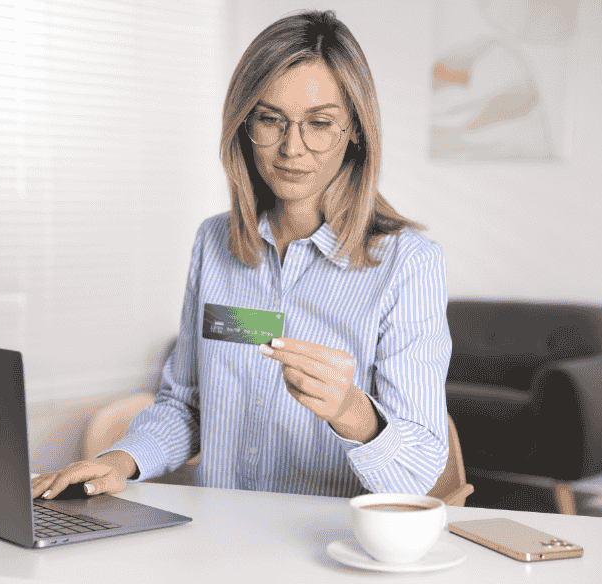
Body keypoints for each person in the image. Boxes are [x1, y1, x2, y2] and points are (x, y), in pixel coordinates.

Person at [32, 10, 451, 501]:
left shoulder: (409, 265)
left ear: (355, 130)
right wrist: (115, 463)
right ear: (245, 123)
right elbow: (186, 406)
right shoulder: (215, 243)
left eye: (319, 123)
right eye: (271, 119)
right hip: (219, 540)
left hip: (327, 549)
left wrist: (350, 410)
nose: (292, 148)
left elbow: (420, 468)